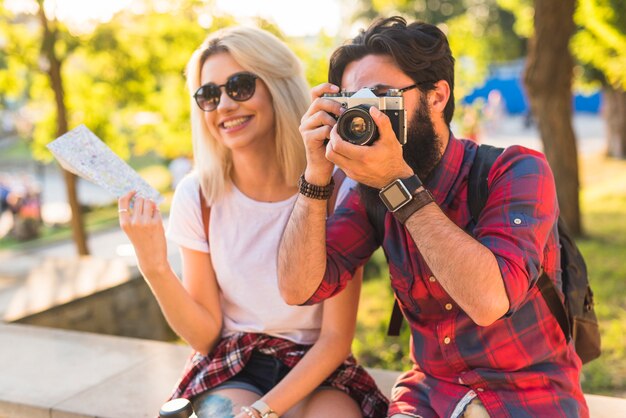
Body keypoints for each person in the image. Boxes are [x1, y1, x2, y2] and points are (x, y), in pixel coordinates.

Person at [277, 16, 589, 418]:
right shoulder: (370, 193)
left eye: (381, 97)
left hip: (529, 392)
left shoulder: (514, 171)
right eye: (353, 103)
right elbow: (299, 289)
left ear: (437, 96)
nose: (366, 117)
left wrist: (398, 184)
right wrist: (316, 175)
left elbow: (489, 301)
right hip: (431, 394)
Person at [118, 26, 387, 418]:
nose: (224, 104)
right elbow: (205, 335)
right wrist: (154, 266)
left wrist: (263, 411)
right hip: (234, 366)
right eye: (209, 95)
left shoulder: (336, 187)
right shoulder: (199, 195)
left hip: (320, 369)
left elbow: (334, 340)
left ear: (278, 87)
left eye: (240, 86)